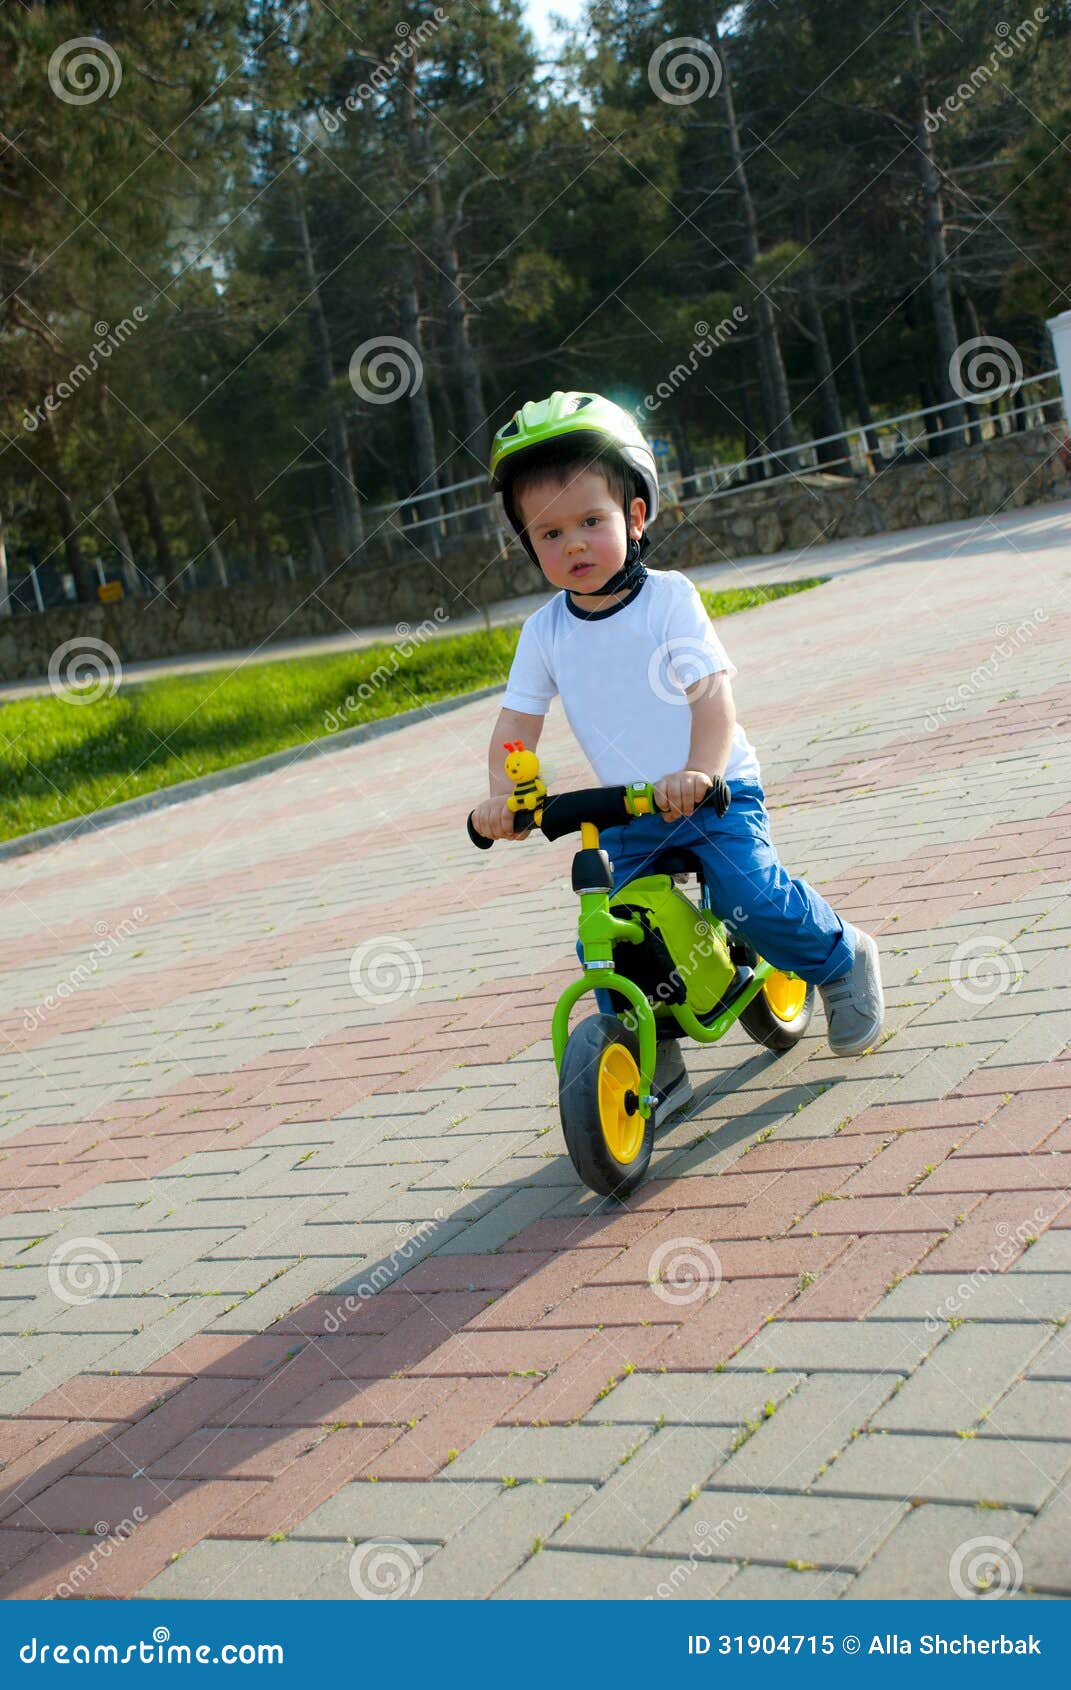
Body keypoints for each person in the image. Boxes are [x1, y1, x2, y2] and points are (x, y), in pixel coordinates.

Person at [470, 391, 884, 1124]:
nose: (573, 545)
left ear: (634, 517)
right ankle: (653, 1059)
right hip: (628, 808)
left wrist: (702, 770)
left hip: (715, 789)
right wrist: (502, 796)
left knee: (745, 897)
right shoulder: (543, 633)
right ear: (527, 544)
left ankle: (840, 960)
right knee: (614, 932)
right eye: (549, 532)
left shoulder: (668, 599)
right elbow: (515, 724)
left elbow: (711, 697)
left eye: (591, 522)